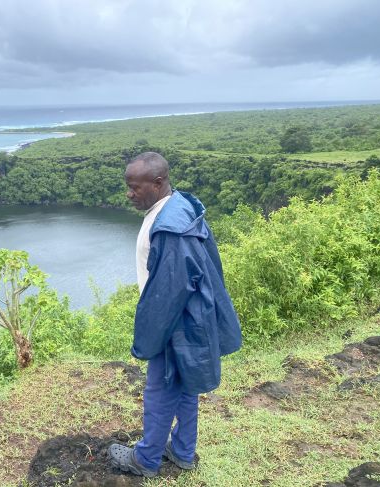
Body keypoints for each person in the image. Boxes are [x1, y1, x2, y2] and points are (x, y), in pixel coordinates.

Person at [108, 152, 242, 477]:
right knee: (184, 387)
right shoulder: (178, 207)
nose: (129, 194)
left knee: (159, 389)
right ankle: (182, 451)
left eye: (135, 187)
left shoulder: (169, 228)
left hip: (176, 326)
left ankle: (146, 459)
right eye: (128, 187)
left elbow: (167, 295)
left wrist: (149, 340)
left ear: (158, 183)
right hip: (192, 319)